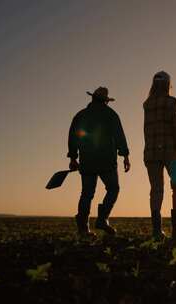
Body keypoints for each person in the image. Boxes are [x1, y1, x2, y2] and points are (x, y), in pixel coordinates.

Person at [67, 87, 130, 237]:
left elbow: (74, 136)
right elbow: (119, 135)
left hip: (87, 160)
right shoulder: (111, 115)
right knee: (113, 188)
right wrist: (125, 156)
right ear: (106, 101)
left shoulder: (81, 115)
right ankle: (102, 219)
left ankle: (83, 228)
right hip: (106, 160)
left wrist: (73, 157)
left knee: (87, 193)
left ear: (92, 99)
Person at [143, 71, 176, 240]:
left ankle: (157, 230)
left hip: (150, 153)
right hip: (171, 151)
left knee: (156, 190)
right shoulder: (171, 102)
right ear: (168, 84)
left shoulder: (147, 104)